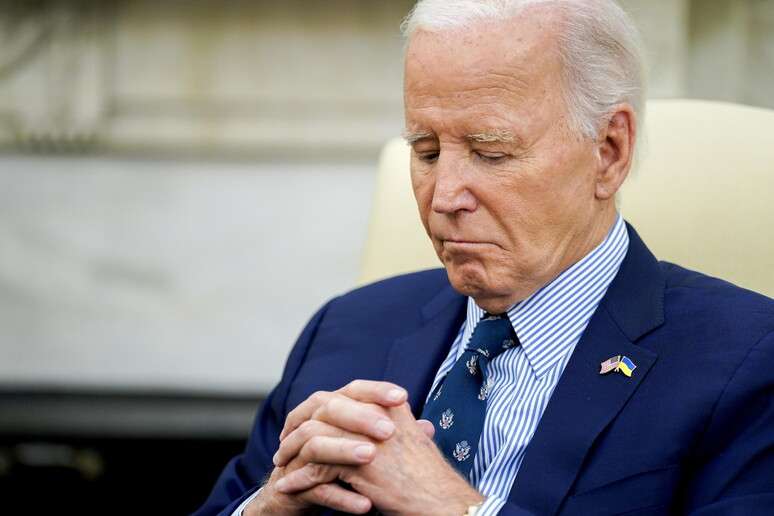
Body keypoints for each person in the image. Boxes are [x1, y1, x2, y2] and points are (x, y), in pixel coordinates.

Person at [194, 1, 774, 514]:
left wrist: (451, 507)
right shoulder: (344, 329)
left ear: (608, 150)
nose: (444, 197)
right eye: (426, 152)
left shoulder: (749, 363)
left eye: (490, 153)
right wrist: (268, 509)